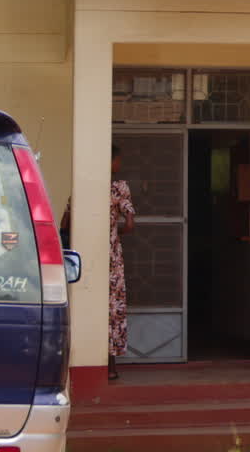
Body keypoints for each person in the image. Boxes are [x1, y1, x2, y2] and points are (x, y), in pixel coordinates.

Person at [108, 145, 135, 380]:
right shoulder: (119, 187)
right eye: (118, 160)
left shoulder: (84, 187)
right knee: (113, 309)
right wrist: (116, 233)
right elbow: (129, 223)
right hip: (112, 256)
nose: (120, 164)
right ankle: (111, 365)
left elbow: (66, 223)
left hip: (88, 253)